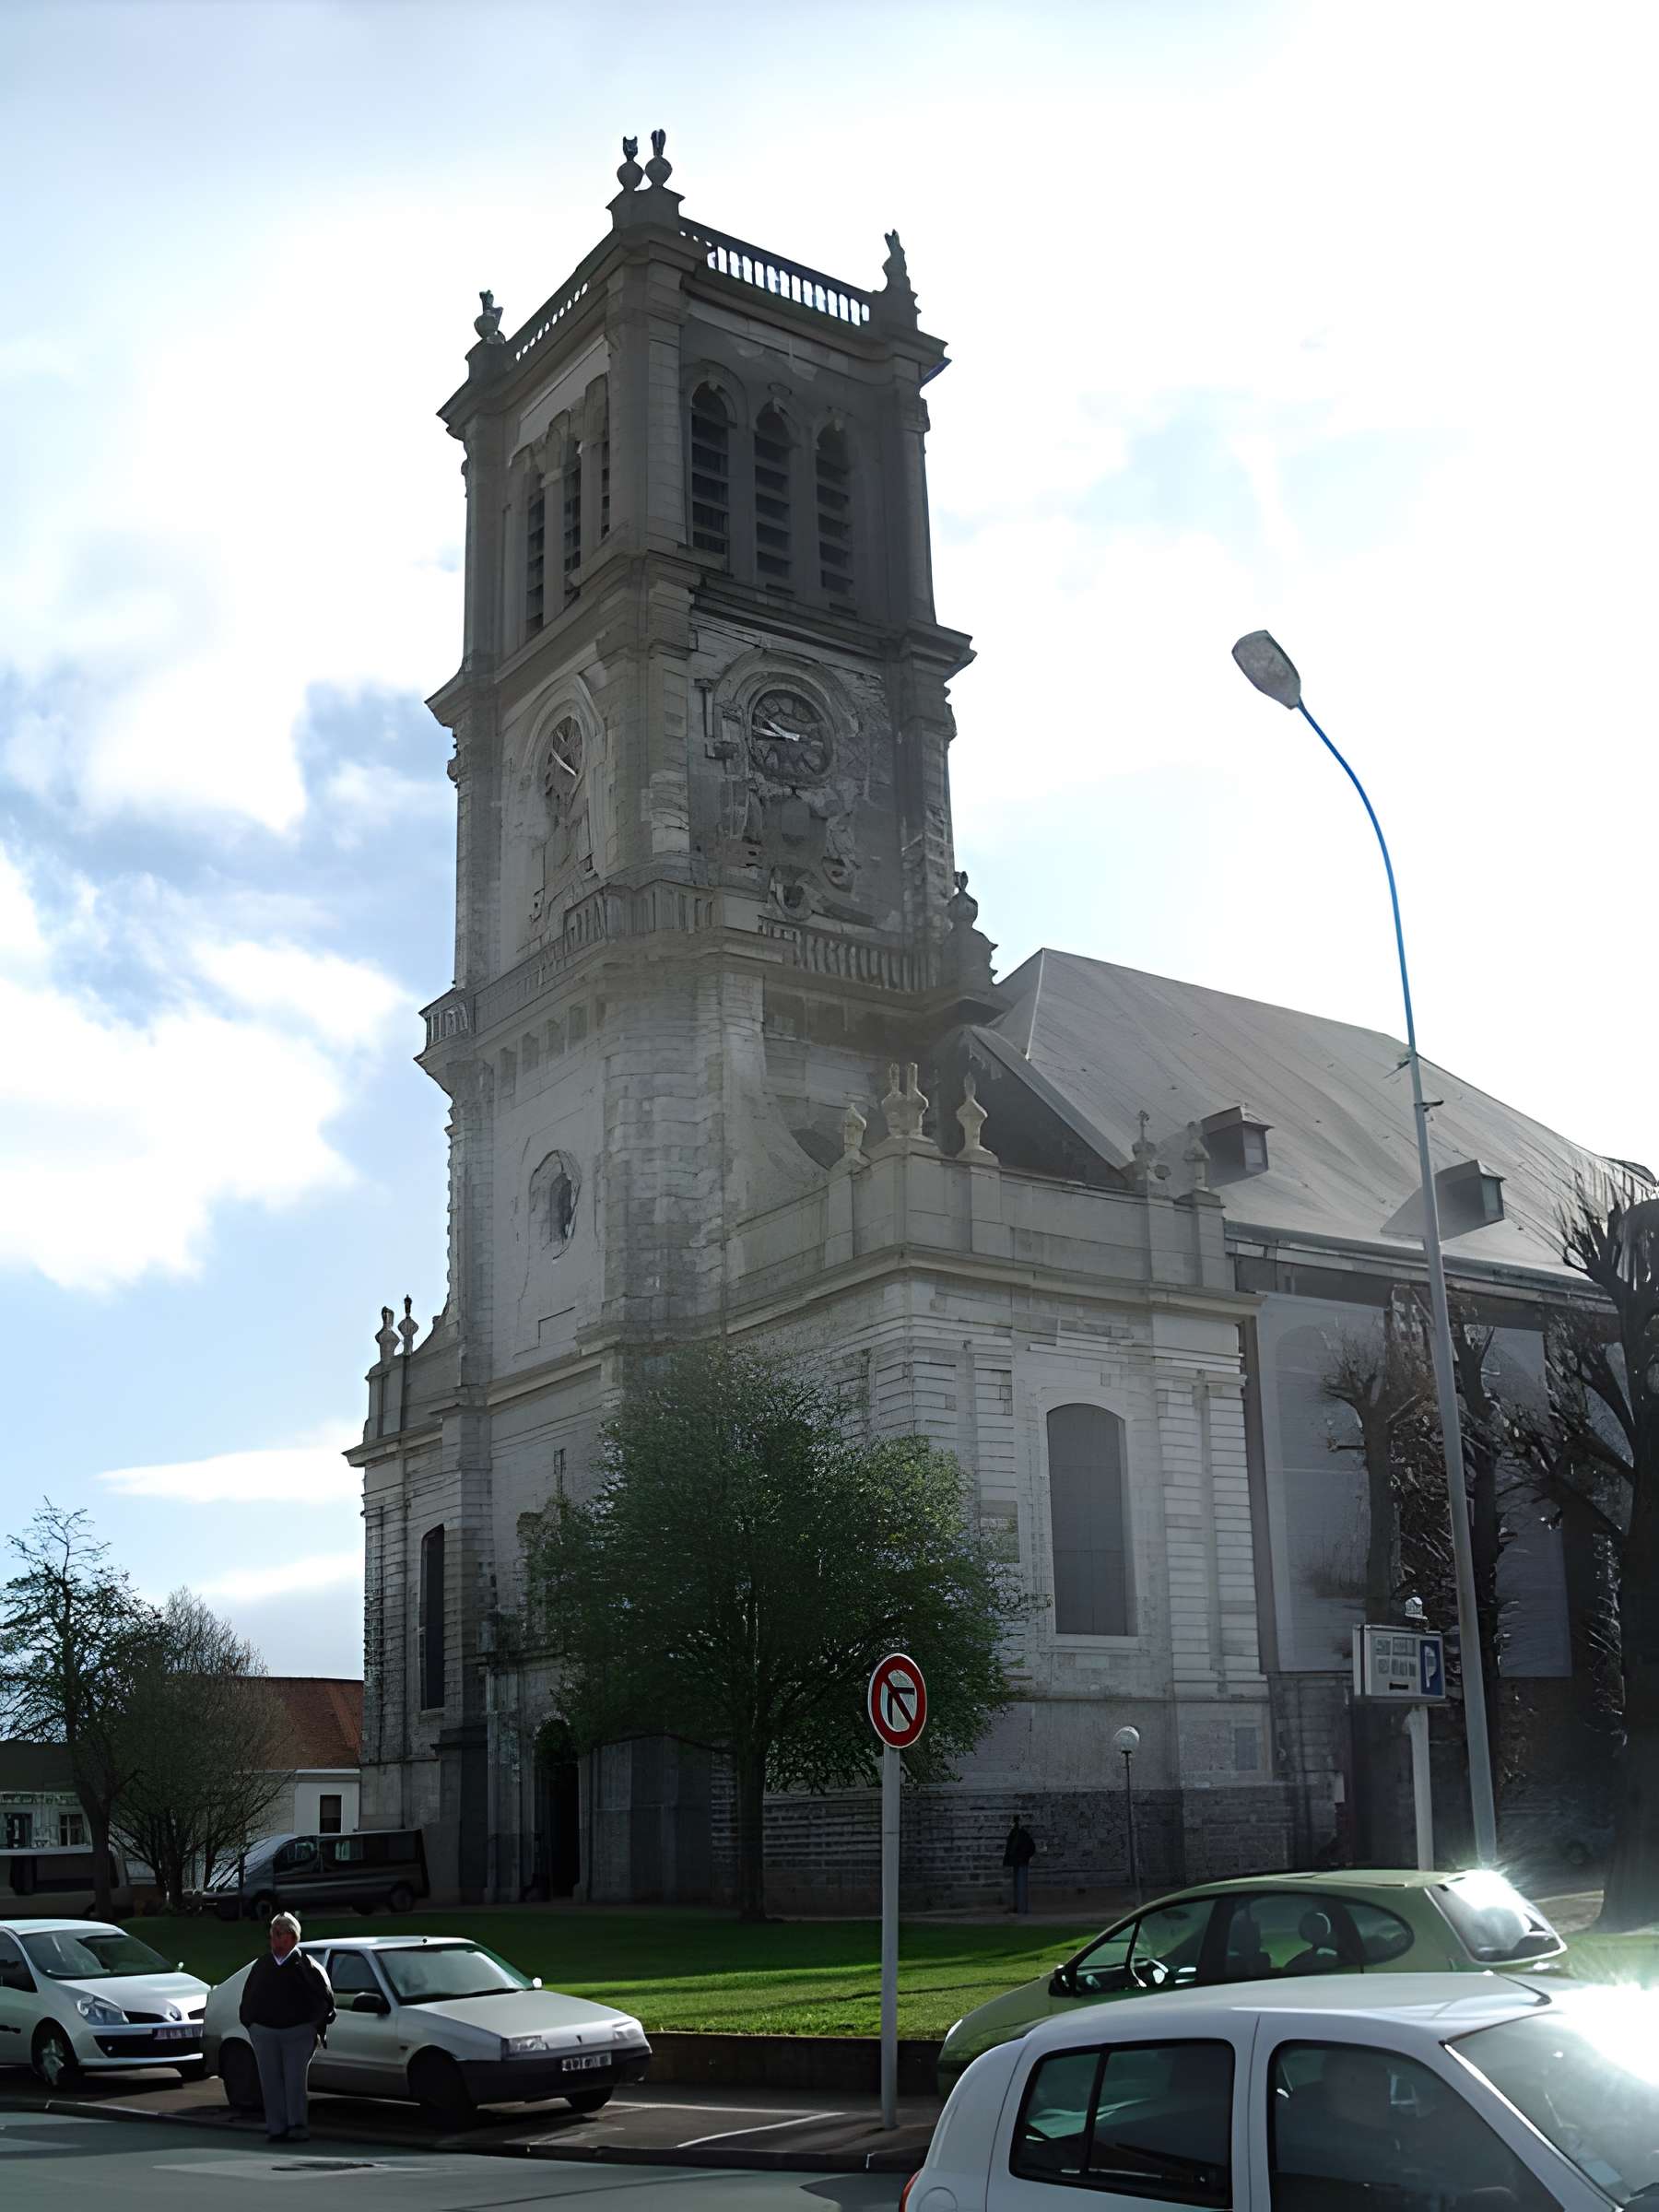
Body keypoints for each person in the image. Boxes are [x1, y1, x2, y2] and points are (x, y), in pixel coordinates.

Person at [238, 1912, 334, 2144]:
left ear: (291, 1937)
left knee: (294, 2082)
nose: (273, 1940)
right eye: (272, 1935)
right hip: (265, 2033)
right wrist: (251, 2024)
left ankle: (297, 2126)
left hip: (297, 2033)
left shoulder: (306, 1965)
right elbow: (249, 1997)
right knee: (270, 2082)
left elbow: (325, 2000)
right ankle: (276, 2128)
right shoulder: (262, 1965)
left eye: (278, 1935)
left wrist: (313, 2027)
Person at [1003, 1815, 1037, 1913]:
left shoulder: (1019, 1834)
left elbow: (1028, 1848)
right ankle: (1020, 1908)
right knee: (1018, 1886)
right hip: (1018, 1862)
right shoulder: (1018, 1834)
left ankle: (1021, 1909)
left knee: (1020, 1886)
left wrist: (1023, 1857)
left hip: (1020, 1862)